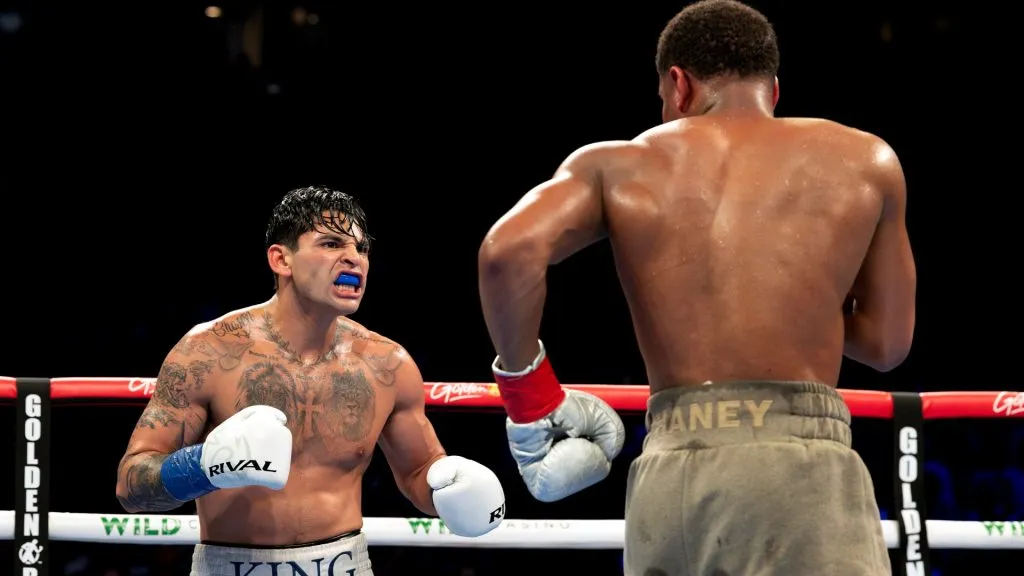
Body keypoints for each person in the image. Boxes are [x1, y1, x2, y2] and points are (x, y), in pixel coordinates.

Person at [477, 0, 916, 574]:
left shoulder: (616, 163)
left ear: (678, 85)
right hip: (801, 469)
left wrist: (530, 399)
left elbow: (505, 253)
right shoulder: (867, 160)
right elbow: (886, 346)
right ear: (774, 89)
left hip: (672, 472)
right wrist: (796, 296)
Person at [116, 186, 506, 576]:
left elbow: (420, 471)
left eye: (361, 247)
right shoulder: (208, 352)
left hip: (347, 566)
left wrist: (451, 489)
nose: (354, 257)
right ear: (281, 259)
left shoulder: (387, 364)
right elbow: (132, 486)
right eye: (331, 243)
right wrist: (205, 465)